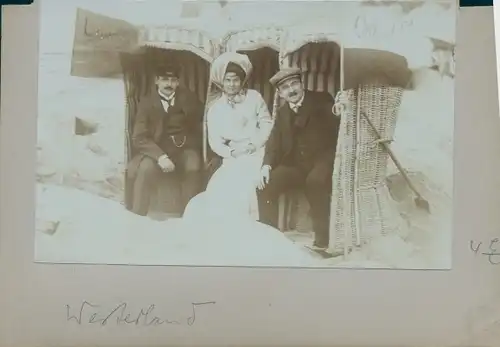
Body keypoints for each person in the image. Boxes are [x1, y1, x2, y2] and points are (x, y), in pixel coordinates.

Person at [257, 67, 342, 251]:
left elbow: (335, 117)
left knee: (316, 182)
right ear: (280, 93)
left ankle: (323, 241)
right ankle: (269, 239)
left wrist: (339, 109)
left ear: (302, 84)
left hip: (323, 159)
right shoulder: (282, 112)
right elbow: (274, 142)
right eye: (286, 87)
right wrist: (266, 166)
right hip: (298, 165)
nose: (292, 90)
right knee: (264, 185)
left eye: (294, 84)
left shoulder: (321, 99)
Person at [183, 52, 273, 222]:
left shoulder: (254, 97)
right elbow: (215, 142)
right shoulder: (216, 108)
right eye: (228, 80)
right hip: (233, 155)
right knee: (220, 185)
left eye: (236, 80)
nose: (232, 85)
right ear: (221, 82)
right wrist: (231, 152)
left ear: (242, 81)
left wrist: (255, 144)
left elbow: (267, 123)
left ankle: (249, 223)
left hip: (258, 151)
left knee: (248, 184)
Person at [126, 62, 204, 216]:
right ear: (156, 81)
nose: (169, 84)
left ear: (178, 82)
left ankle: (190, 216)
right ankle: (137, 217)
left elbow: (203, 118)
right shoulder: (146, 103)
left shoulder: (189, 98)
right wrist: (161, 157)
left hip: (183, 149)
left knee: (194, 164)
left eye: (173, 80)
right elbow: (139, 137)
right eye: (164, 80)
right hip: (156, 151)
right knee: (145, 169)